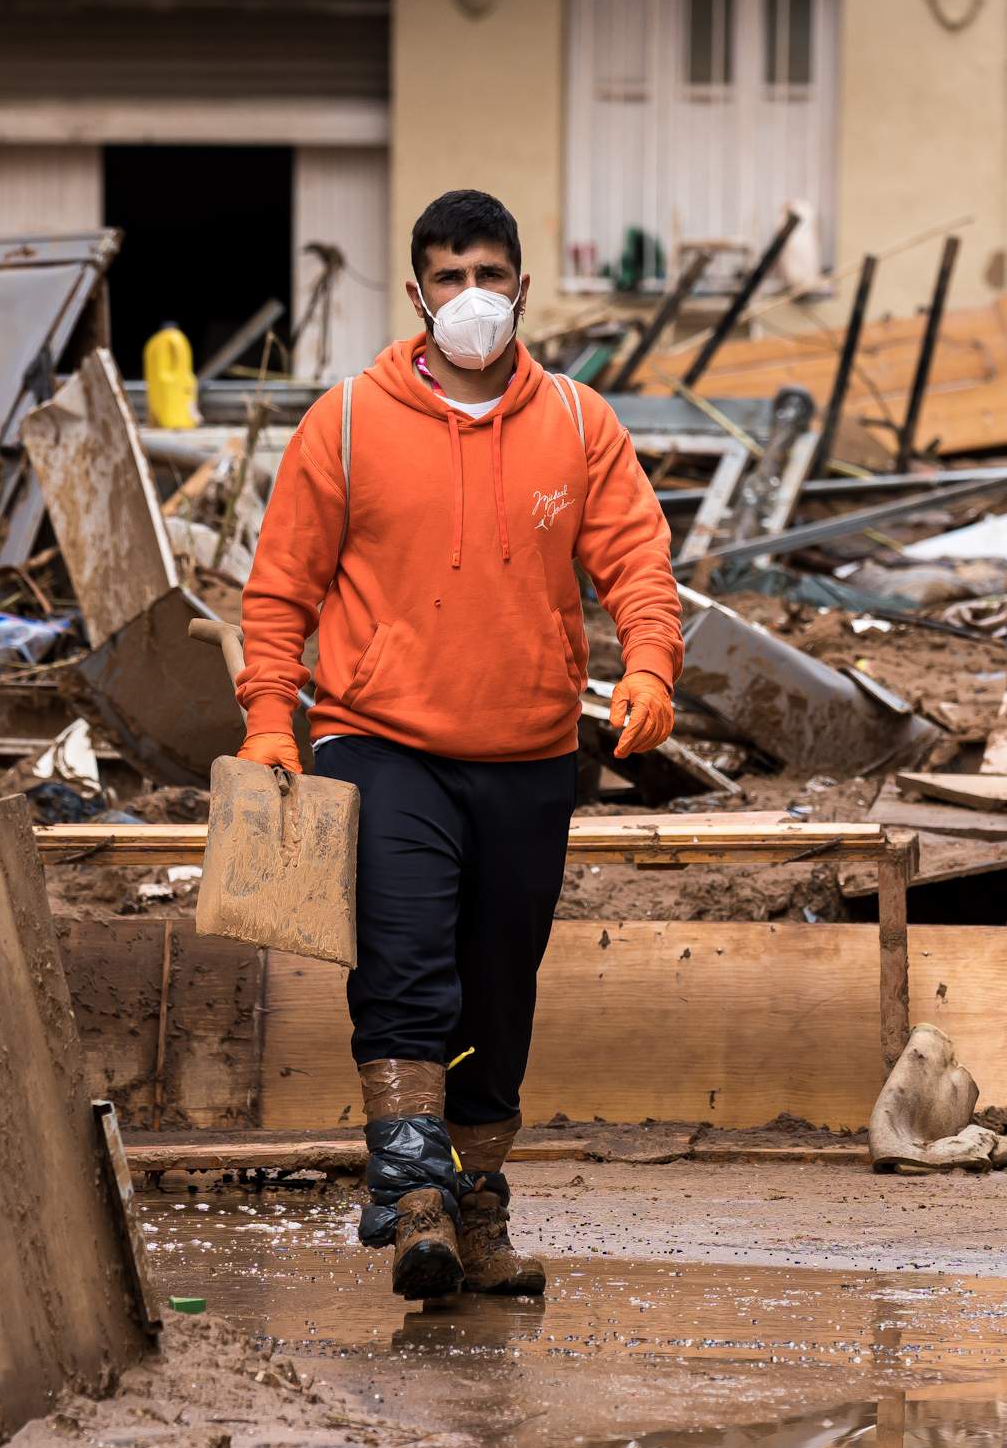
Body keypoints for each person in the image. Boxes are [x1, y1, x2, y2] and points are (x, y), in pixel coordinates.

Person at [232, 189, 683, 1303]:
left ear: (522, 288)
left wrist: (652, 666)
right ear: (417, 292)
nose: (470, 296)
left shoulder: (578, 424)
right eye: (448, 276)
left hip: (529, 751)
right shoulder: (344, 423)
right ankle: (414, 1198)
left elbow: (636, 556)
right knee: (405, 964)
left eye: (489, 273)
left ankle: (478, 1215)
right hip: (381, 743)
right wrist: (265, 719)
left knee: (498, 992)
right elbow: (279, 587)